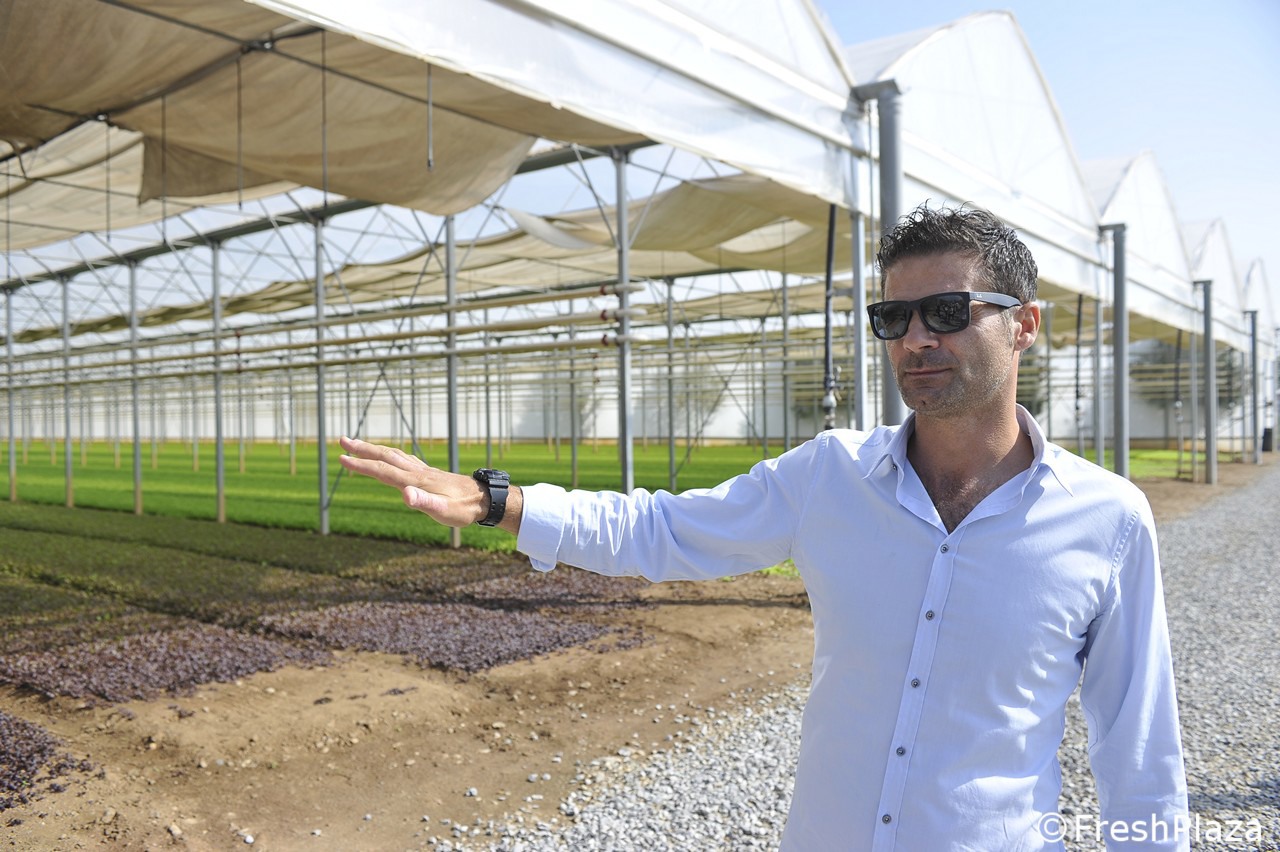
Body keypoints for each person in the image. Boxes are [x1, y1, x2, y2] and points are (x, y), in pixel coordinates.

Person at [338, 203, 1189, 851]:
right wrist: (500, 501)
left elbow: (1140, 751)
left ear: (1024, 325)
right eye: (893, 319)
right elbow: (663, 530)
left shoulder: (1107, 521)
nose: (915, 340)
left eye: (946, 312)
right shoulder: (830, 478)